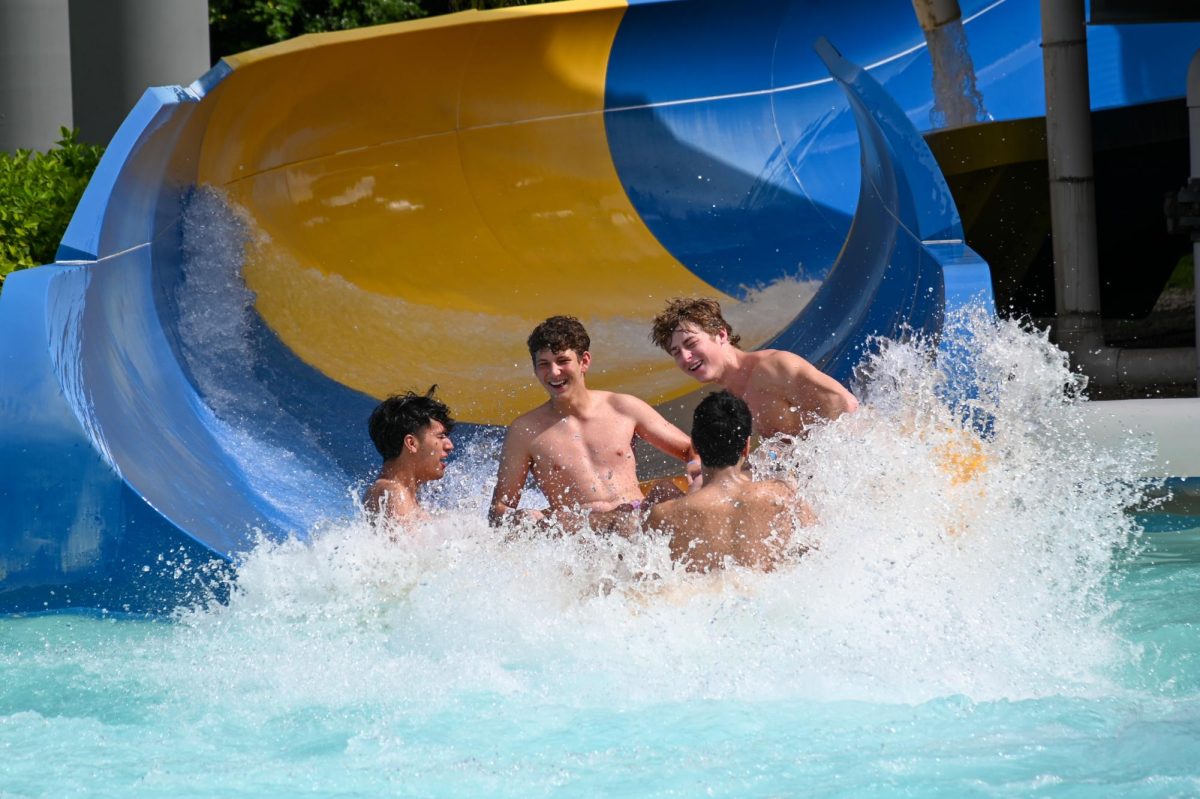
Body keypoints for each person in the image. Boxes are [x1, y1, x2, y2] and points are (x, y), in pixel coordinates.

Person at [489, 315, 699, 533]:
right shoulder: (525, 430)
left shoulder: (622, 407)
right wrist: (531, 518)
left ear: (584, 361)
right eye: (543, 364)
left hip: (636, 523)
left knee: (664, 490)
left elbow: (692, 450)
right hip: (582, 534)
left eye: (562, 361)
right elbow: (498, 510)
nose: (553, 372)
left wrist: (698, 485)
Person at [647, 391, 815, 572]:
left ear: (694, 445)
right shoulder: (783, 495)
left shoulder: (664, 515)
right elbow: (818, 554)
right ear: (746, 446)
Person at [650, 297, 858, 438]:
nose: (686, 357)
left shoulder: (773, 367)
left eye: (691, 344)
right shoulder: (732, 397)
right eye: (676, 352)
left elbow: (844, 404)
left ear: (721, 335)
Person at [364, 386, 455, 522]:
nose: (449, 446)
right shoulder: (394, 493)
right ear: (411, 443)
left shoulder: (394, 493)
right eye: (440, 436)